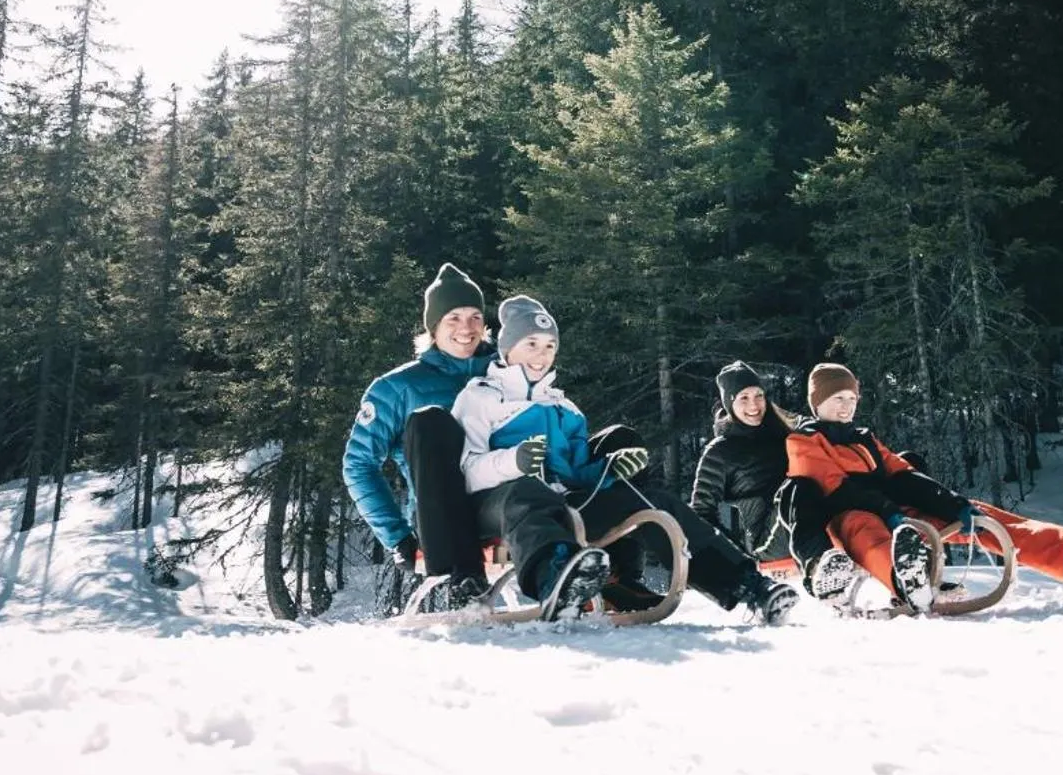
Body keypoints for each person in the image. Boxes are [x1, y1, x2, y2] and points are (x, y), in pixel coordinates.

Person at [452, 295, 801, 624]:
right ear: (507, 346)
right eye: (531, 344)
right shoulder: (481, 397)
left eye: (549, 346)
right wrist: (513, 461)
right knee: (524, 490)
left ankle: (747, 585)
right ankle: (556, 581)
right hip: (497, 508)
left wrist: (607, 469)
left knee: (655, 504)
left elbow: (575, 477)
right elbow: (464, 473)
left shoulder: (564, 408)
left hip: (561, 504)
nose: (541, 355)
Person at [786, 362, 1063, 612]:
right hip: (842, 519)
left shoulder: (864, 439)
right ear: (818, 403)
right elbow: (836, 489)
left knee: (983, 516)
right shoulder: (803, 441)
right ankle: (907, 583)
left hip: (897, 514)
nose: (847, 406)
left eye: (851, 398)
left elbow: (902, 474)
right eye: (838, 399)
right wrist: (891, 516)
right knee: (867, 529)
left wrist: (952, 505)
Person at [342, 263, 499, 612]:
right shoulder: (397, 388)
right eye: (453, 318)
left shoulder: (507, 373)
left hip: (504, 506)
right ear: (433, 327)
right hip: (441, 520)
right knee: (431, 422)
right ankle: (462, 574)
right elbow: (358, 464)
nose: (466, 328)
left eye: (475, 317)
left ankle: (616, 580)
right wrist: (396, 536)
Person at [689, 361, 855, 601]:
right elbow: (701, 512)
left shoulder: (785, 433)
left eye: (759, 395)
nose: (754, 405)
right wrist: (735, 555)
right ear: (729, 403)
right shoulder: (720, 452)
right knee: (799, 487)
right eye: (743, 398)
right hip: (765, 543)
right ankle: (819, 566)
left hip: (808, 516)